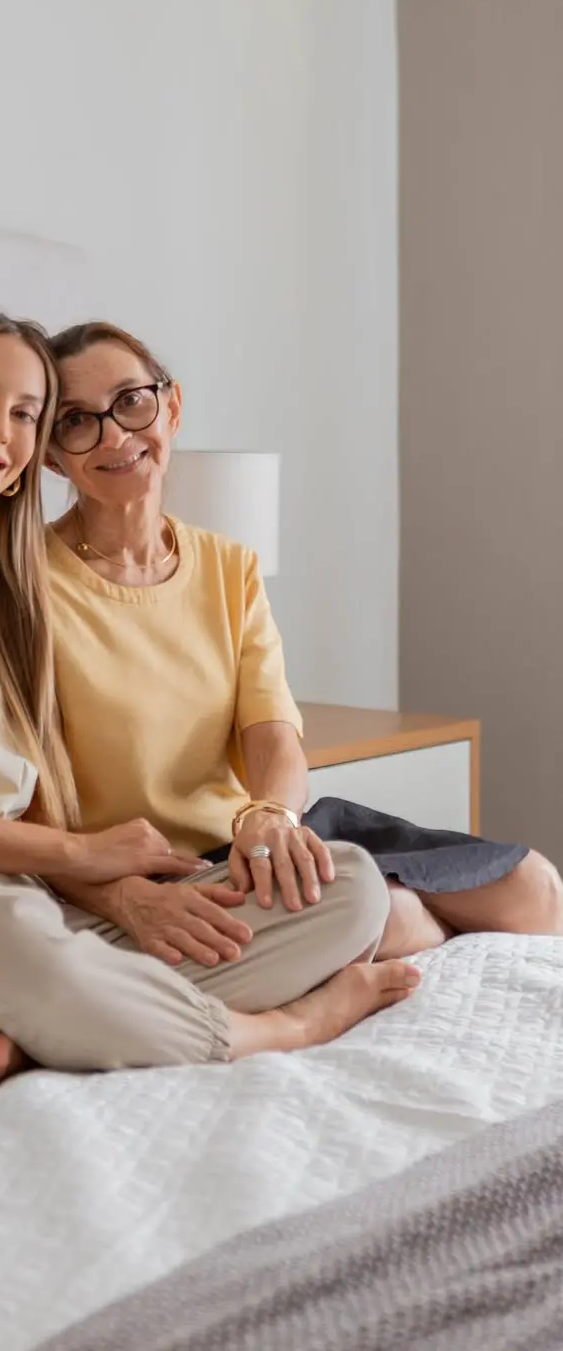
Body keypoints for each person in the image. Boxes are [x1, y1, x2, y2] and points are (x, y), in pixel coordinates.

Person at [0, 309, 417, 1093]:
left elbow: (33, 795)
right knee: (8, 934)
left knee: (348, 888)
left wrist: (140, 883)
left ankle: (49, 1029)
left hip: (25, 912)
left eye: (25, 414)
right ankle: (281, 1028)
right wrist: (81, 855)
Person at [39, 319, 563, 976]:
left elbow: (273, 734)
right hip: (163, 868)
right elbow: (31, 811)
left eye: (131, 401)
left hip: (258, 833)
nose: (115, 434)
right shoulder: (26, 586)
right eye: (77, 421)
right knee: (388, 912)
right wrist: (115, 893)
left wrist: (272, 817)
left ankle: (382, 932)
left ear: (170, 407)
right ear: (51, 456)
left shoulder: (228, 565)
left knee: (537, 891)